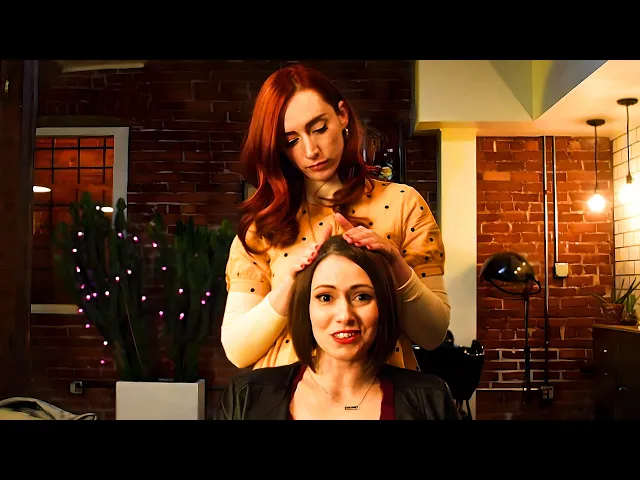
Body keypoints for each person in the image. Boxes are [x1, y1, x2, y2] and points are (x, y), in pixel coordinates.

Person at [222, 63, 450, 372]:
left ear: (342, 115)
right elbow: (237, 351)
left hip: (381, 392)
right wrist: (290, 287)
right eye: (291, 141)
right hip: (287, 394)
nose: (311, 150)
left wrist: (396, 267)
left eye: (319, 128)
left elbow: (433, 335)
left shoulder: (402, 204)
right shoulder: (263, 226)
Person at [214, 236, 460, 420]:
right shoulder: (246, 397)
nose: (344, 316)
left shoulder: (432, 399)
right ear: (305, 308)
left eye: (362, 297)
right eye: (325, 297)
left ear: (383, 306)